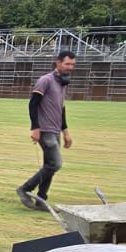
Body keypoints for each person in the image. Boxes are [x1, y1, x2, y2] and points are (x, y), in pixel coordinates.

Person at [17, 50, 76, 210]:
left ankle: (41, 200)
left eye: (72, 64)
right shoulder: (46, 80)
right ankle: (25, 189)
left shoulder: (62, 83)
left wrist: (66, 132)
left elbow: (61, 109)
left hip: (55, 130)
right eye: (67, 64)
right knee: (55, 164)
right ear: (58, 63)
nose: (70, 67)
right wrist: (35, 128)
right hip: (44, 130)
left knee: (49, 165)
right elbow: (33, 104)